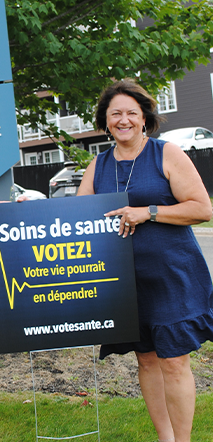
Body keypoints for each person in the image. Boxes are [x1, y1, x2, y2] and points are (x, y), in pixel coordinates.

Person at [77, 78, 213, 442]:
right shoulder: (98, 165)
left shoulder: (166, 154)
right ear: (105, 121)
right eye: (115, 113)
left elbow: (201, 208)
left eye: (131, 113)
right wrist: (27, 212)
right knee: (147, 359)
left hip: (171, 275)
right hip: (124, 280)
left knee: (174, 360)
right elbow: (72, 217)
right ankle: (165, 439)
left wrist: (148, 212)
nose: (123, 120)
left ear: (144, 118)